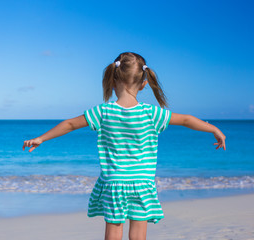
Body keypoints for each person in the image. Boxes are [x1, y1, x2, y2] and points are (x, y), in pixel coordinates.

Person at [22, 52, 226, 240]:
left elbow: (69, 124)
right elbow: (186, 120)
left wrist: (41, 138)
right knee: (138, 234)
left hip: (115, 182)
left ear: (112, 80)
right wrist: (213, 129)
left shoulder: (103, 112)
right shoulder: (151, 113)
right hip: (141, 182)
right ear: (144, 83)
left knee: (114, 230)